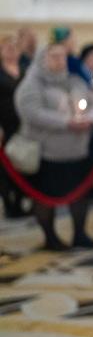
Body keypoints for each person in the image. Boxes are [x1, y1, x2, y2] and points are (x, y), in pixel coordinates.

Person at [13, 44, 93, 250]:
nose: (60, 61)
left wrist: (90, 118)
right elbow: (32, 113)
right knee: (45, 197)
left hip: (77, 151)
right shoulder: (32, 85)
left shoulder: (74, 81)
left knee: (80, 194)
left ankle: (80, 234)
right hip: (48, 153)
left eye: (62, 56)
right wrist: (67, 122)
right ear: (43, 59)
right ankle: (50, 237)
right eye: (54, 56)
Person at [0, 34, 30, 218]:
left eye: (15, 48)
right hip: (4, 124)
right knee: (4, 167)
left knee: (22, 162)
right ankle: (8, 204)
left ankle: (20, 200)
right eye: (8, 48)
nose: (11, 51)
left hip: (23, 124)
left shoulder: (25, 71)